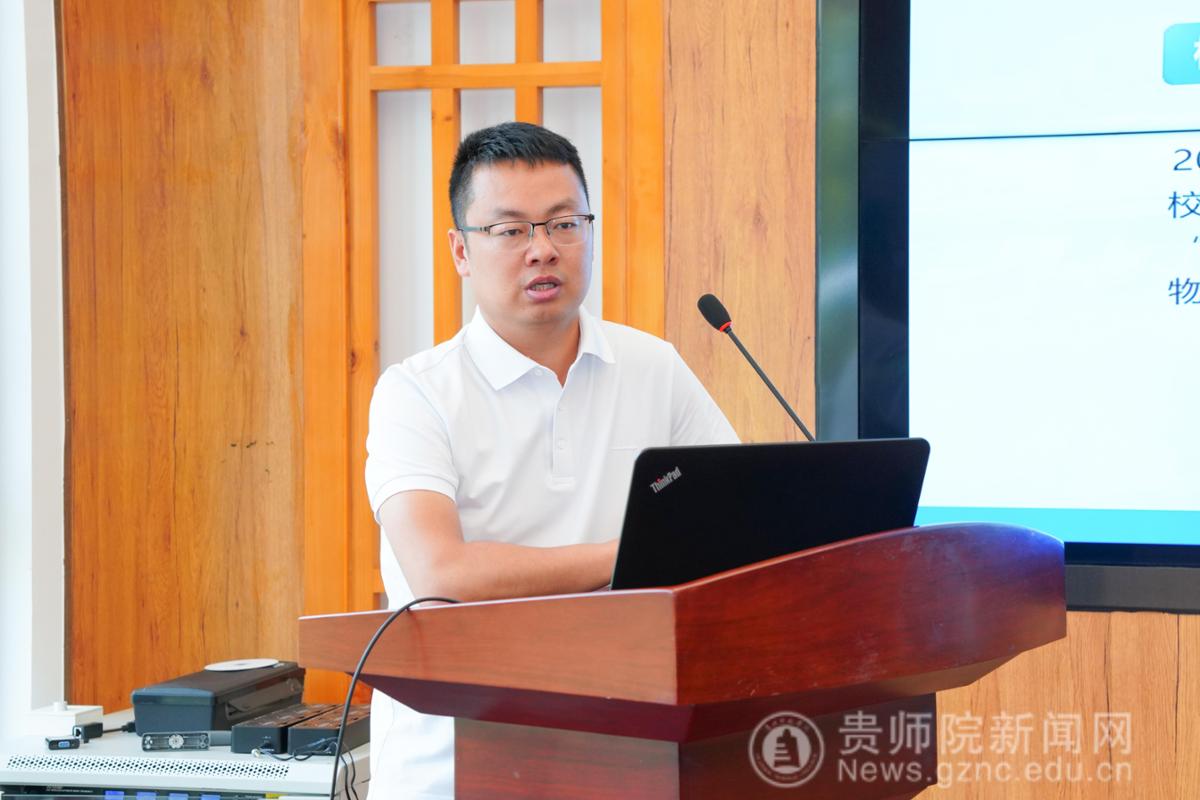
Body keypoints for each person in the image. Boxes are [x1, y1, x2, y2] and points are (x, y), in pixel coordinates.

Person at [363, 122, 738, 799]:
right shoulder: (415, 393)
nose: (543, 249)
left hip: (628, 750)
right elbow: (442, 573)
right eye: (510, 230)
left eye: (564, 224)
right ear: (461, 251)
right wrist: (632, 556)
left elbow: (734, 521)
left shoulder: (652, 366)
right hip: (454, 765)